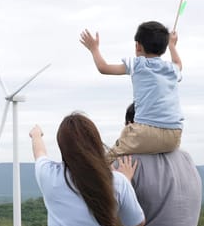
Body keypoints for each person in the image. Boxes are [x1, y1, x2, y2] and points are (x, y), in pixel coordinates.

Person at [30, 112, 145, 226]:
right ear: (95, 142)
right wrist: (126, 182)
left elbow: (40, 153)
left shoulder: (49, 175)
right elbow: (137, 224)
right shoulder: (117, 182)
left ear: (63, 147)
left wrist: (36, 135)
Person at [114, 104, 204, 226]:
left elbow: (113, 223)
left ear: (131, 126)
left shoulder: (127, 162)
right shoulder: (187, 159)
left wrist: (123, 183)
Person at [79, 21, 184, 161]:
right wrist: (172, 46)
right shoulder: (171, 69)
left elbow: (103, 68)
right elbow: (178, 63)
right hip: (174, 135)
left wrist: (94, 49)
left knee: (108, 160)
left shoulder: (138, 64)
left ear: (138, 46)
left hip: (146, 132)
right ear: (164, 48)